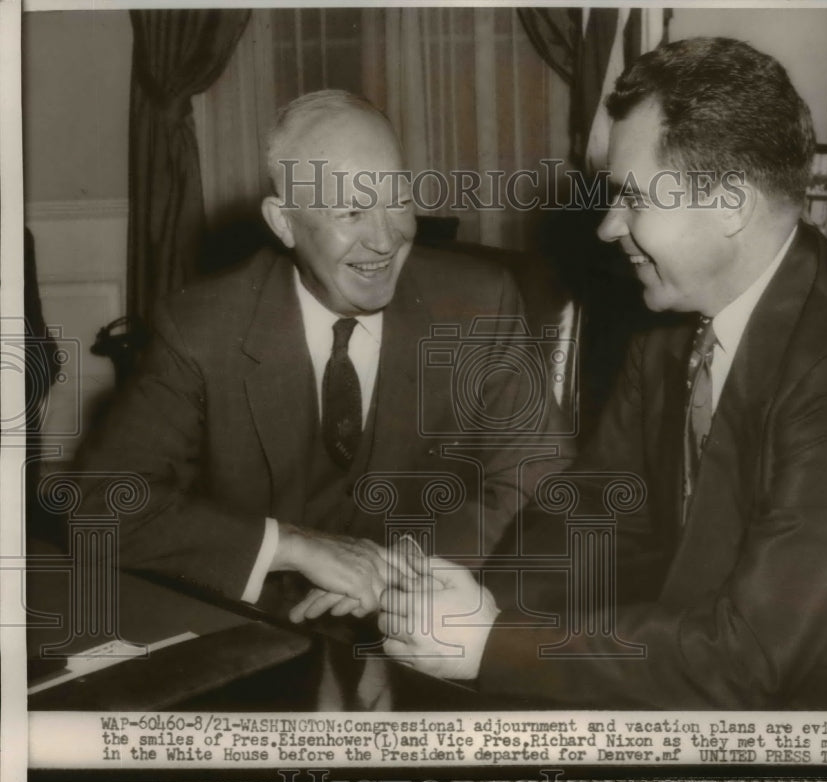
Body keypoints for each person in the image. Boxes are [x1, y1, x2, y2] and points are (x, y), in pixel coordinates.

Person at [379, 38, 827, 709]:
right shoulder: (668, 314)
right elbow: (597, 512)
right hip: (702, 674)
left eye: (633, 197)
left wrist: (490, 644)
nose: (608, 227)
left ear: (730, 204)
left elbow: (746, 657)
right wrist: (474, 607)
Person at [75, 90, 569, 697]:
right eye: (351, 214)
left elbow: (538, 481)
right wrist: (294, 546)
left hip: (433, 632)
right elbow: (100, 503)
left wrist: (393, 572)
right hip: (263, 639)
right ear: (284, 222)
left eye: (398, 202)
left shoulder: (480, 302)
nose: (386, 239)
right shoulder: (202, 327)